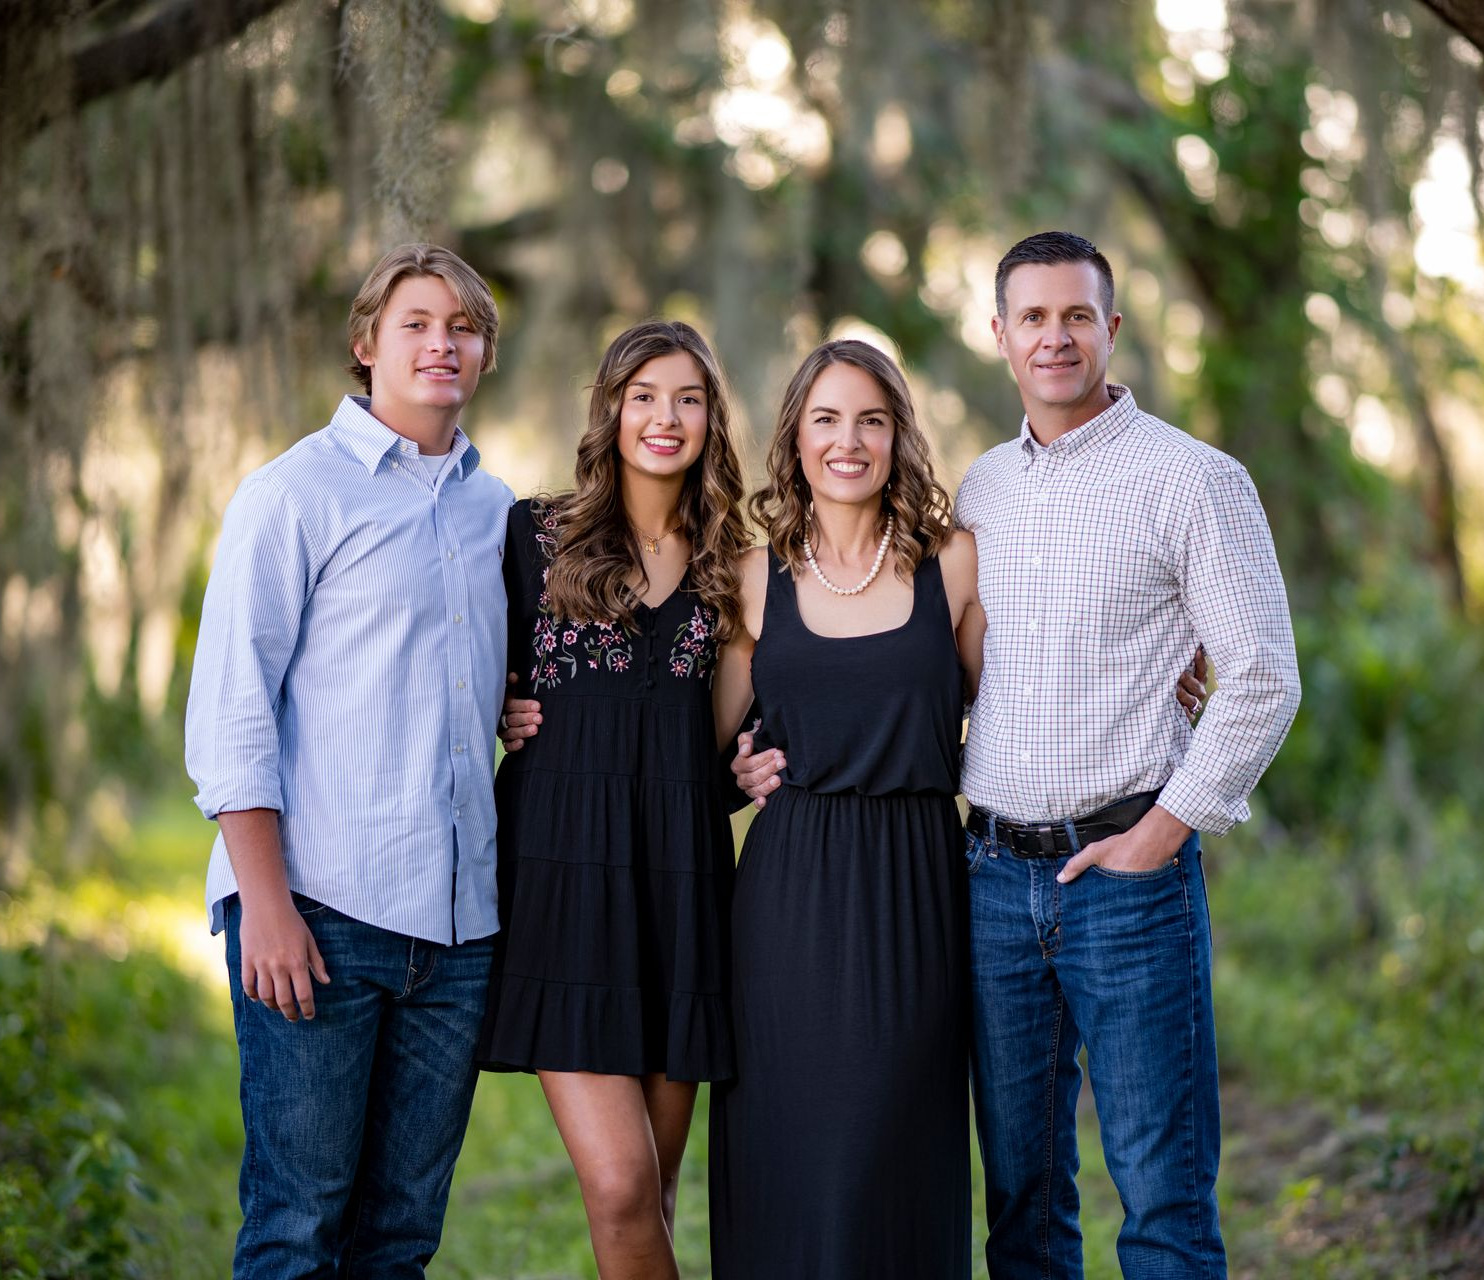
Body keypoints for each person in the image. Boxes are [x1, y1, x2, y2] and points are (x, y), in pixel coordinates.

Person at [184, 243, 512, 1279]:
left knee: (400, 1238)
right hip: (319, 911)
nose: (440, 343)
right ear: (365, 343)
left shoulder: (498, 511)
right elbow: (232, 706)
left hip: (456, 933)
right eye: (416, 322)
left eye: (462, 326)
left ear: (486, 352)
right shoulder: (292, 495)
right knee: (297, 1227)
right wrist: (265, 903)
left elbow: (463, 681)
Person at [704, 339, 986, 1277]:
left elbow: (1026, 705)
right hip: (788, 899)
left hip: (916, 888)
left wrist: (1178, 678)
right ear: (796, 437)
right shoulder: (754, 576)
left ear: (899, 434)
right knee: (795, 1152)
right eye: (826, 419)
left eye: (870, 418)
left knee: (894, 1147)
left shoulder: (952, 563)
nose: (848, 441)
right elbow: (696, 744)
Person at [477, 320, 750, 1280]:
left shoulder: (738, 570)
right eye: (643, 395)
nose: (665, 417)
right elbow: (457, 674)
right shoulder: (533, 534)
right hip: (563, 885)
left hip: (679, 888)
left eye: (687, 397)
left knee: (661, 1195)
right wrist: (498, 714)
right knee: (624, 1188)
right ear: (611, 410)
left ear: (714, 417)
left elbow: (723, 740)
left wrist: (751, 768)